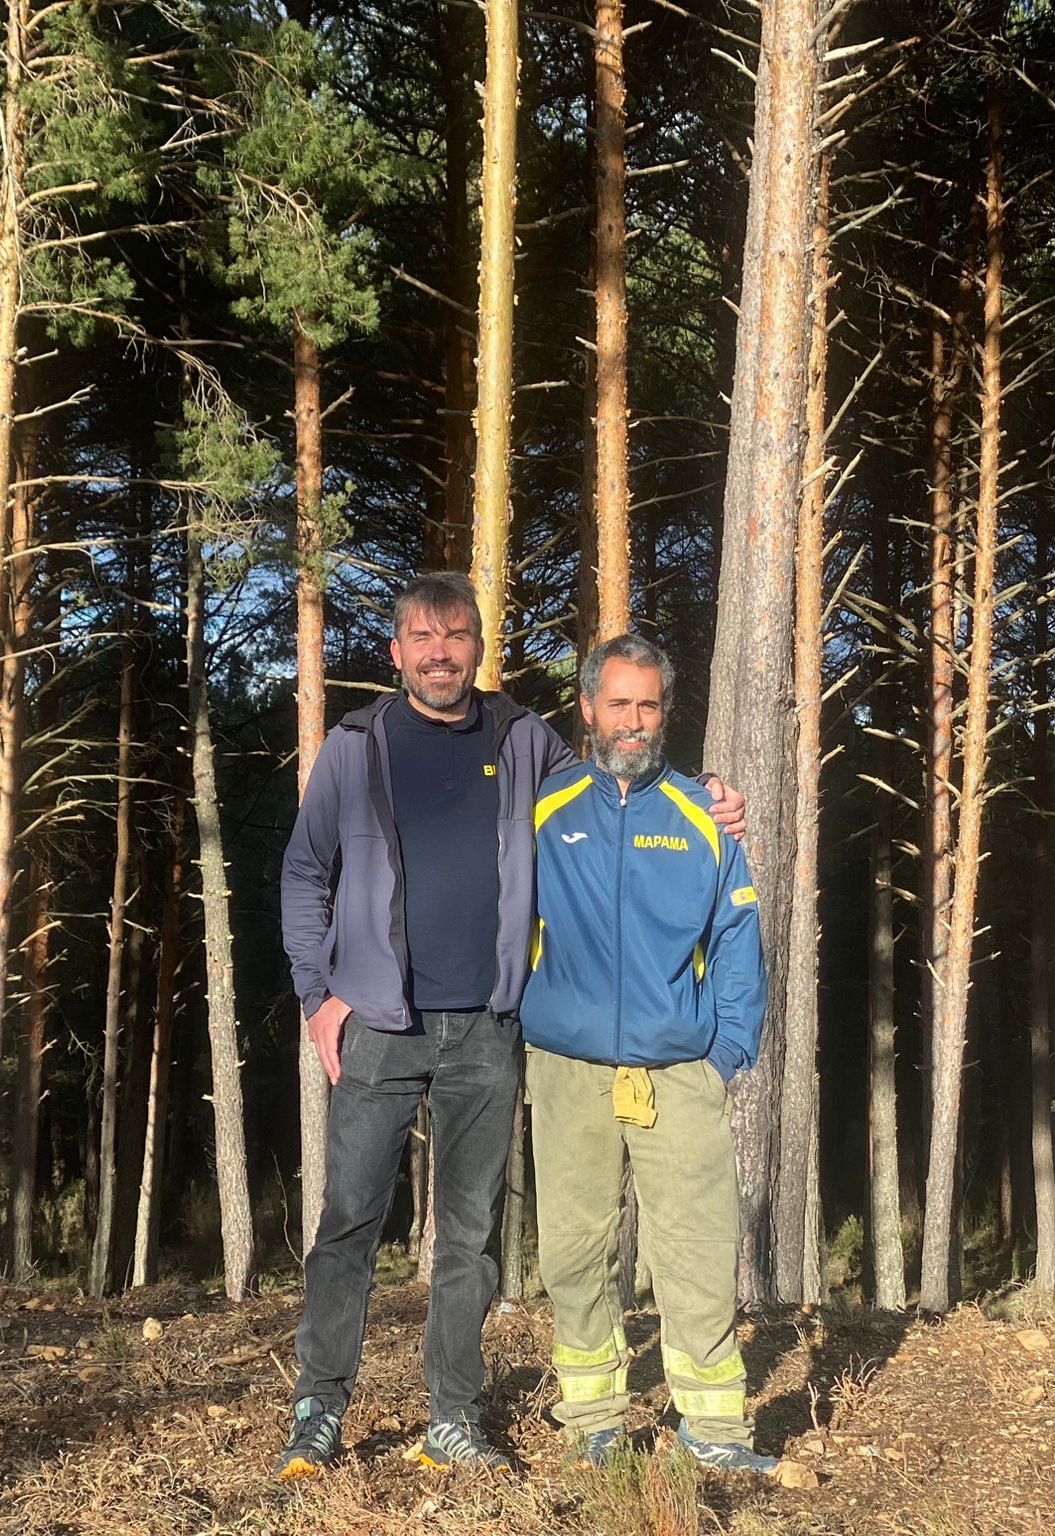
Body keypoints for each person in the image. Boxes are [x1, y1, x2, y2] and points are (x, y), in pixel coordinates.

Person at [274, 575, 744, 1479]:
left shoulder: (522, 739)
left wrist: (710, 795)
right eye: (423, 637)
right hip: (377, 1024)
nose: (441, 652)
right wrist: (315, 991)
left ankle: (452, 1416)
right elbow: (304, 873)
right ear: (397, 649)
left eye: (457, 636)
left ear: (479, 646)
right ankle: (318, 1409)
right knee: (348, 1226)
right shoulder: (353, 747)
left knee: (470, 1236)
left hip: (489, 1030)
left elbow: (620, 786)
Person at [520, 632, 777, 1474]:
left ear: (666, 713)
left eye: (650, 705)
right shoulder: (544, 811)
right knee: (573, 1249)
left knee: (698, 1248)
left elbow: (738, 934)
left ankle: (714, 1428)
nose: (635, 722)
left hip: (680, 1073)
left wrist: (726, 1050)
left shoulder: (705, 815)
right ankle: (594, 1416)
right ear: (588, 709)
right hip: (569, 1070)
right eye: (619, 704)